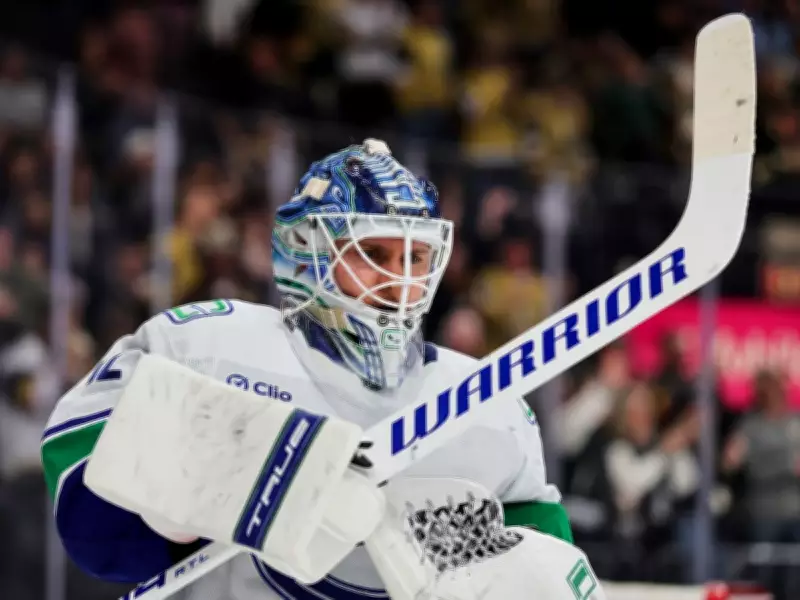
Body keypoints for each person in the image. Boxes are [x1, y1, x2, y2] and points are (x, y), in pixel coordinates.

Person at [41, 140, 601, 599]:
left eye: (415, 257)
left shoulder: (491, 411)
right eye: (374, 255)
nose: (401, 280)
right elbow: (91, 523)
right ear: (308, 251)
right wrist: (214, 487)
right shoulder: (207, 348)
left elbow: (551, 572)